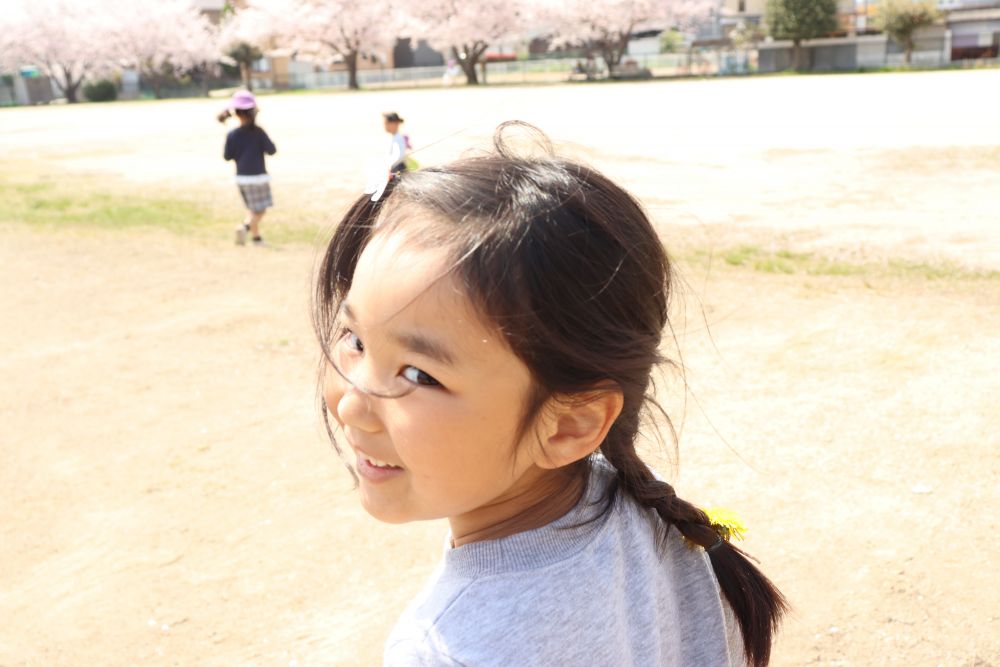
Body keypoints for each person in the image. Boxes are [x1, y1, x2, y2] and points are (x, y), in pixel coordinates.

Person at [314, 123, 786, 667]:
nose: (351, 403)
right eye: (353, 340)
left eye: (419, 375)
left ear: (570, 425)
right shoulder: (648, 518)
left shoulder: (449, 650)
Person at [218, 90, 276, 246]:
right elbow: (271, 150)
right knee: (261, 210)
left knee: (252, 209)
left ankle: (256, 238)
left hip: (241, 178)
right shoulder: (258, 132)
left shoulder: (232, 134)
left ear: (236, 113)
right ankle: (245, 227)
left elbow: (227, 156)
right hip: (258, 177)